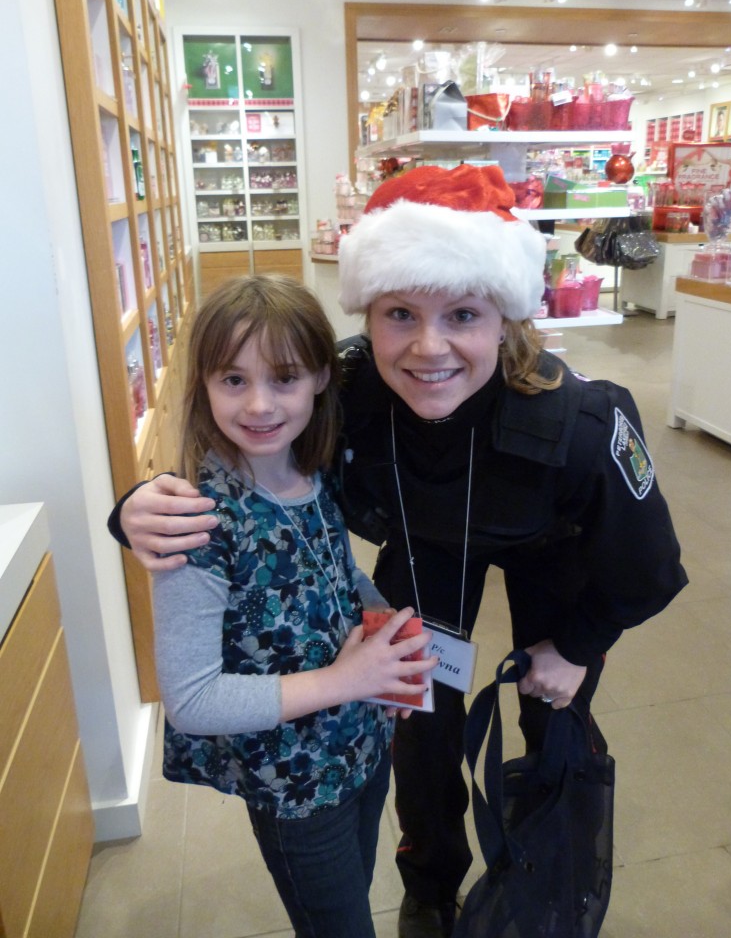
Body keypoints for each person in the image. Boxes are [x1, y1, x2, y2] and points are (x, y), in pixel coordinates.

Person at [109, 164, 688, 938]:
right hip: (427, 542)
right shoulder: (347, 386)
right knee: (418, 718)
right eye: (400, 314)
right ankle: (429, 885)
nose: (429, 347)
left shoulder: (578, 422)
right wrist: (134, 511)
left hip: (552, 545)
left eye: (463, 315)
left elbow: (649, 563)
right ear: (368, 317)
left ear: (506, 319)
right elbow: (254, 444)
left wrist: (579, 647)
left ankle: (547, 878)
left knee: (553, 713)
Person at [144, 274, 437, 938]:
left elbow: (331, 574)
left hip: (361, 744)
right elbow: (192, 699)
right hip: (295, 788)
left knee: (354, 891)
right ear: (203, 385)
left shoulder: (314, 470)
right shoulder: (198, 524)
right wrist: (345, 679)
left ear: (319, 382)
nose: (259, 405)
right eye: (233, 380)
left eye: (283, 378)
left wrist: (387, 635)